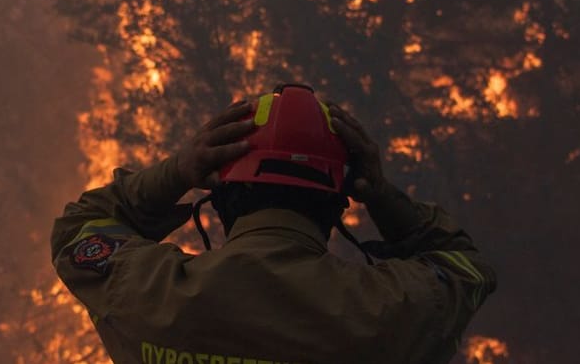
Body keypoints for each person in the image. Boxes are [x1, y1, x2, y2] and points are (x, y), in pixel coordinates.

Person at [51, 83, 496, 364]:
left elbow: (80, 229)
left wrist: (178, 171)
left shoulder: (148, 292)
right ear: (336, 207)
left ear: (222, 200)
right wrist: (379, 193)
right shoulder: (389, 310)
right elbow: (462, 265)